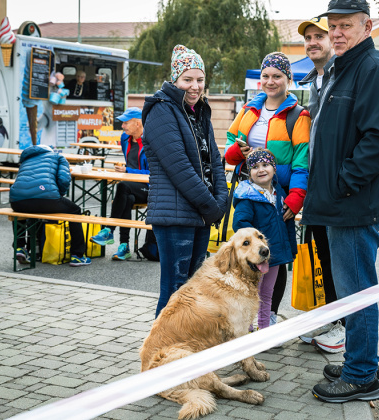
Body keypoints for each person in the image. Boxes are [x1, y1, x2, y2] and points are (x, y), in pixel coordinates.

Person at [302, 0, 379, 403]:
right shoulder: (343, 68)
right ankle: (360, 361)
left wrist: (342, 184)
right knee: (349, 288)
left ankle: (362, 375)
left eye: (346, 26)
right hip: (338, 200)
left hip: (353, 203)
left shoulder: (372, 69)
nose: (337, 33)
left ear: (366, 25)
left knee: (357, 288)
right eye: (334, 26)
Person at [141, 45, 228, 319]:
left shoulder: (199, 111)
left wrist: (221, 200)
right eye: (187, 79)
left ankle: (185, 351)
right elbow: (179, 168)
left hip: (200, 214)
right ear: (175, 79)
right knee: (174, 292)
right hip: (175, 216)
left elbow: (215, 160)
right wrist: (211, 206)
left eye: (199, 79)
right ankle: (160, 354)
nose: (195, 86)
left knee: (193, 291)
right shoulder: (162, 110)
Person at [224, 51, 310, 323]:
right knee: (250, 253)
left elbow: (301, 162)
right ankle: (247, 314)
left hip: (278, 198)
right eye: (266, 76)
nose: (271, 81)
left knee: (276, 254)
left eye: (277, 76)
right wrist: (238, 150)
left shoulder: (298, 116)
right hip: (249, 195)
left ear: (289, 79)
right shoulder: (250, 110)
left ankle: (268, 315)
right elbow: (229, 150)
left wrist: (296, 196)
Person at [295, 15, 345, 352]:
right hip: (316, 186)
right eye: (308, 38)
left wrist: (342, 182)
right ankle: (329, 316)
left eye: (319, 36)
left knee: (341, 259)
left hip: (338, 188)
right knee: (322, 255)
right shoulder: (313, 81)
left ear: (334, 40)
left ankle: (343, 326)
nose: (313, 42)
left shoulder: (344, 77)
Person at [231, 148, 297, 331]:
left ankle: (264, 330)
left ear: (274, 169)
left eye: (265, 165)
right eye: (255, 167)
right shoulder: (247, 197)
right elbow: (241, 225)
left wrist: (291, 248)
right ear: (249, 173)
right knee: (250, 292)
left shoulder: (280, 194)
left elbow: (288, 224)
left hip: (273, 255)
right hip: (253, 258)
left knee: (267, 293)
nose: (261, 169)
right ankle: (246, 329)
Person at [9, 144, 91, 267]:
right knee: (75, 211)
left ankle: (20, 247)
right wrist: (58, 195)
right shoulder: (57, 156)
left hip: (17, 201)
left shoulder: (26, 160)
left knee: (21, 212)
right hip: (46, 197)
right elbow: (63, 179)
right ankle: (78, 255)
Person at [89, 107, 149, 260]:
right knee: (125, 198)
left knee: (122, 186)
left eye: (126, 123)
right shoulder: (124, 138)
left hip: (149, 188)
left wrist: (128, 170)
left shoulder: (151, 142)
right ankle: (124, 247)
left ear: (138, 124)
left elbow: (155, 173)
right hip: (130, 188)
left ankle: (108, 230)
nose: (122, 126)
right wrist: (126, 171)